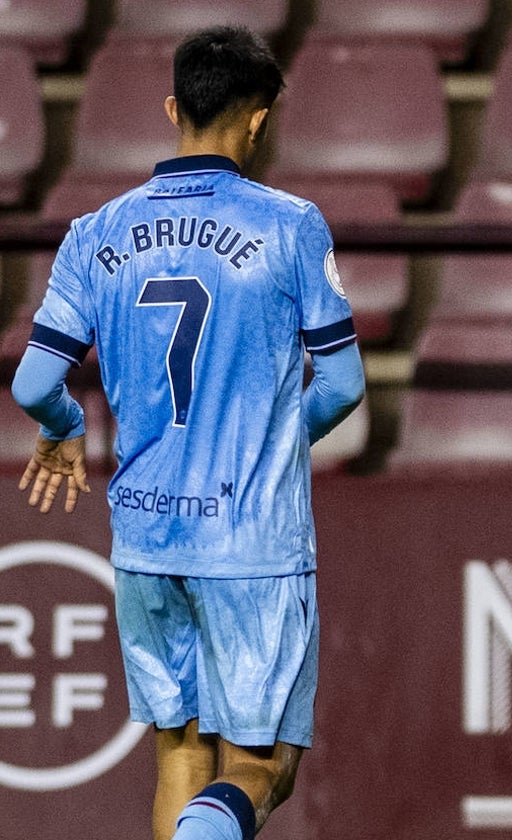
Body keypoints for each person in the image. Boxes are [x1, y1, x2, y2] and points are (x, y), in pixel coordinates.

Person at [10, 26, 365, 840]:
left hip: (145, 536)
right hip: (250, 542)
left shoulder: (93, 233)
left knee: (180, 750)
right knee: (260, 766)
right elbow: (343, 384)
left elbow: (34, 382)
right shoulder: (290, 225)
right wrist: (274, 445)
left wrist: (64, 426)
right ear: (258, 122)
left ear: (174, 108)